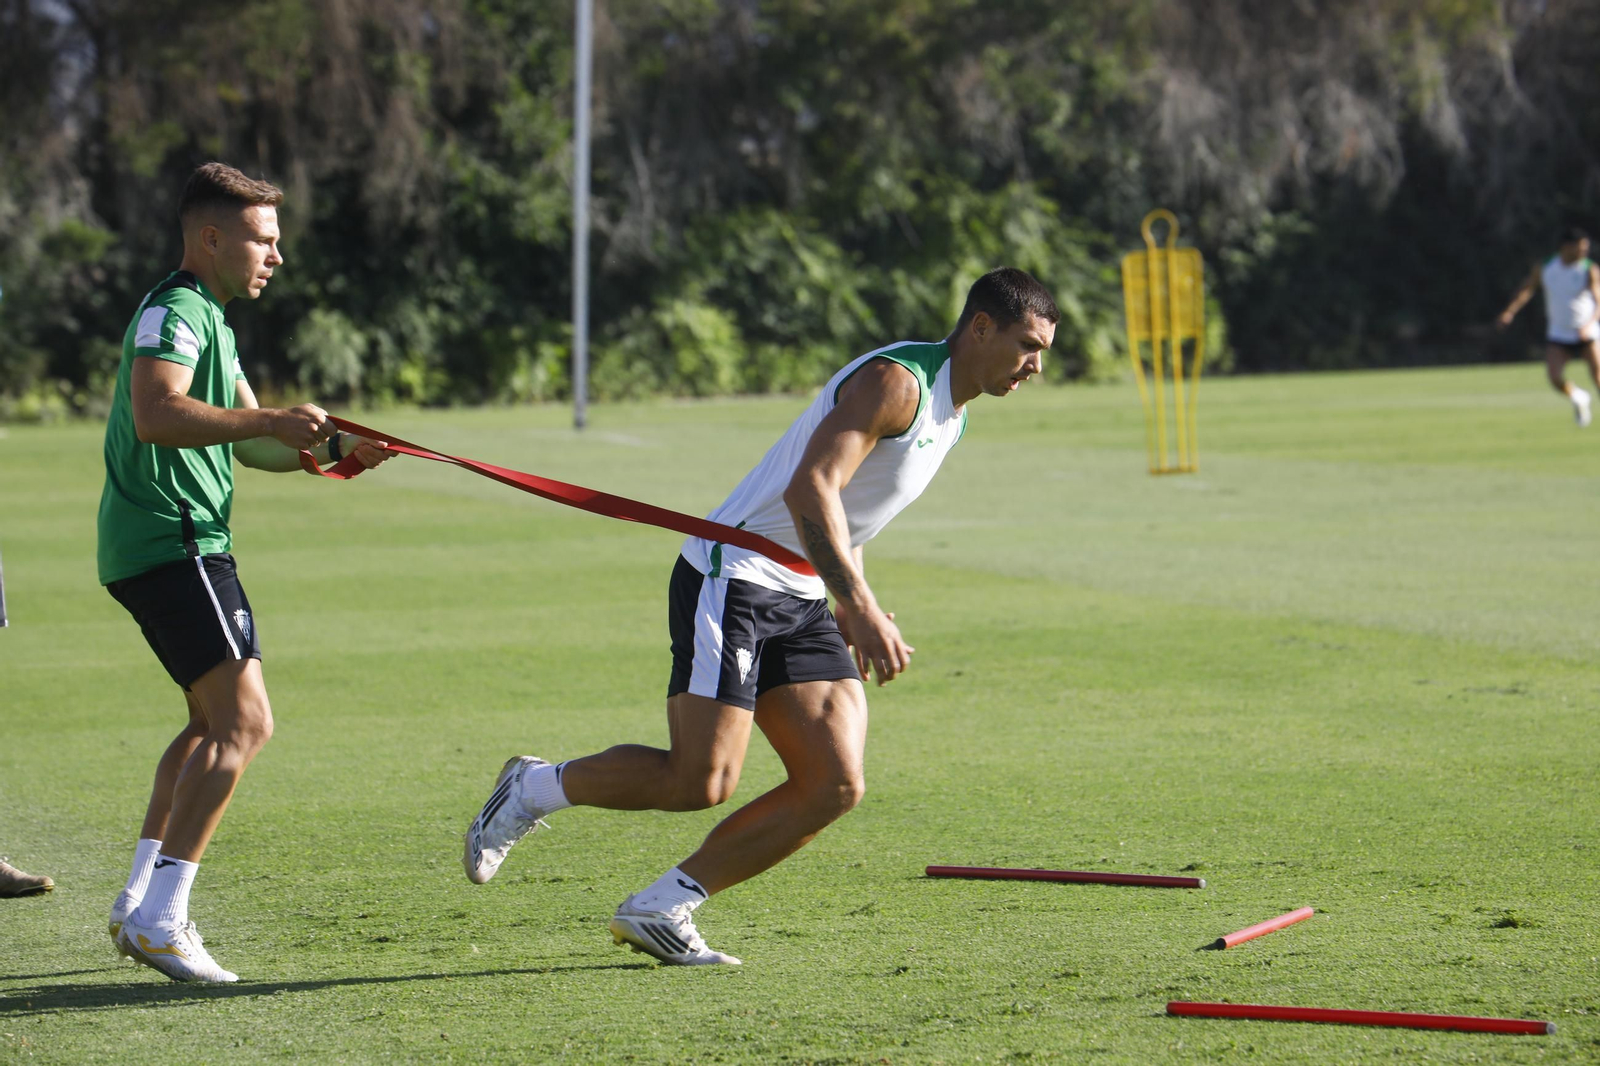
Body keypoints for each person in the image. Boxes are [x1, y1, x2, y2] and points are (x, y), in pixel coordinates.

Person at [462, 267, 1059, 965]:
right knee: (701, 781)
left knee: (834, 784)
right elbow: (812, 487)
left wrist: (847, 598)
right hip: (735, 576)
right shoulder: (899, 384)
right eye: (1027, 345)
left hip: (804, 595)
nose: (1035, 366)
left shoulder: (952, 417)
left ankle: (663, 906)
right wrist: (859, 606)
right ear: (981, 327)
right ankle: (532, 787)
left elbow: (848, 512)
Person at [99, 162, 392, 984]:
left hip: (167, 545)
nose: (277, 255)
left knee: (205, 726)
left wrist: (328, 454)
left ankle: (138, 903)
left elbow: (244, 441)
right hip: (175, 542)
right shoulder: (175, 310)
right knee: (245, 725)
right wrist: (273, 416)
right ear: (212, 237)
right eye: (264, 239)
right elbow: (159, 413)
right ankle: (162, 917)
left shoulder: (212, 320)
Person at [1498, 226, 1600, 426]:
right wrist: (1509, 312)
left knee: (1598, 377)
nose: (1584, 252)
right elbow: (1527, 289)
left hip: (1587, 333)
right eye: (1580, 248)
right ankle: (1579, 397)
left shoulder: (1589, 269)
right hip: (1559, 333)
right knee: (1554, 378)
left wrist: (1589, 324)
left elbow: (1598, 301)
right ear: (1566, 247)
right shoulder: (1546, 267)